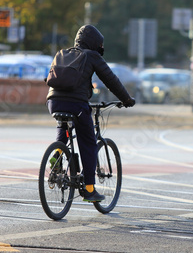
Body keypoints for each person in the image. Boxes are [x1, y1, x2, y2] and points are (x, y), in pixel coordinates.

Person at [46, 25, 135, 202]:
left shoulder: (63, 53)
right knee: (88, 143)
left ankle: (56, 156)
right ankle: (89, 189)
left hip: (53, 102)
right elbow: (110, 79)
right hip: (76, 105)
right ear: (95, 43)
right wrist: (126, 99)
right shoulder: (91, 56)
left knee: (63, 125)